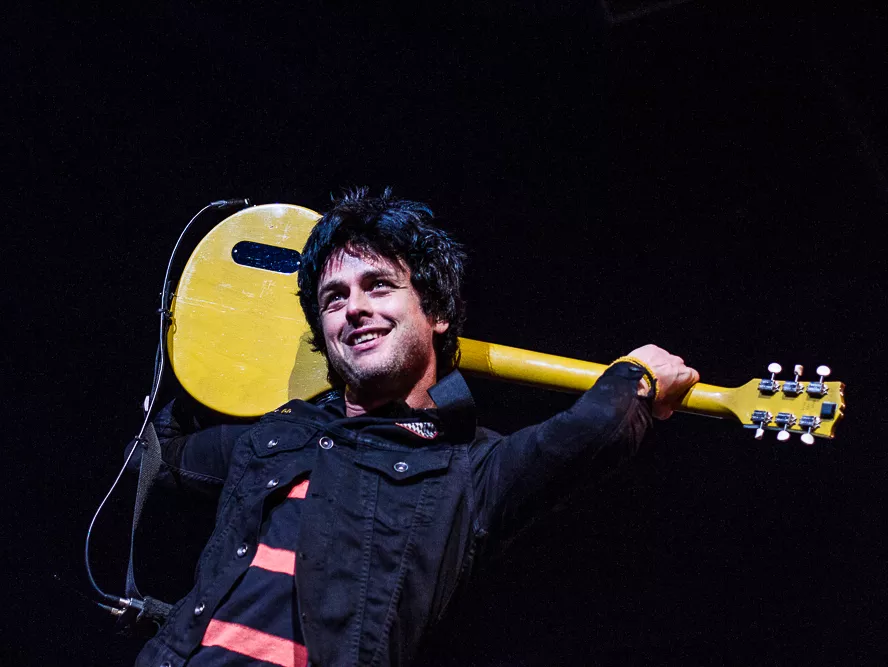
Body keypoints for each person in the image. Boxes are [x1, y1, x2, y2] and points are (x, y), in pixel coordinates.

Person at [133, 188, 700, 667]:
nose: (354, 307)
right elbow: (156, 457)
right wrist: (208, 348)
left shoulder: (468, 471)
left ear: (437, 312)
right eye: (334, 298)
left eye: (378, 285)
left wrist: (639, 375)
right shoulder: (278, 436)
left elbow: (585, 436)